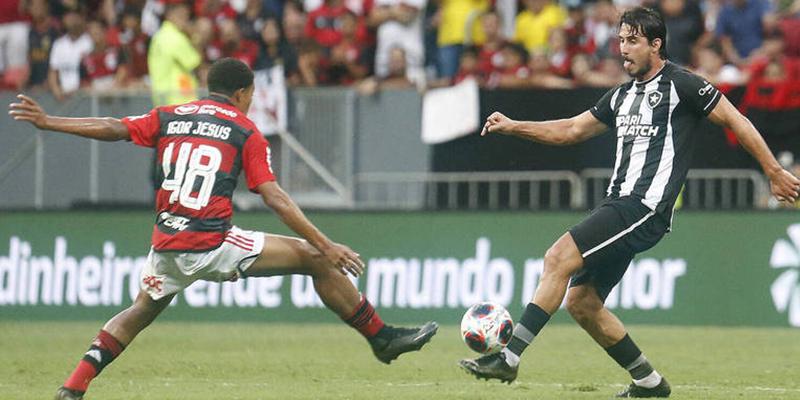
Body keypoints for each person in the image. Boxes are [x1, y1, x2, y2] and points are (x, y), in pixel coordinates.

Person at [9, 58, 438, 400]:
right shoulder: (244, 129)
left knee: (141, 309)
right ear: (243, 93)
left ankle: (74, 385)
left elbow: (113, 128)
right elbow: (274, 197)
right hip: (210, 241)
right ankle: (381, 338)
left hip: (166, 242)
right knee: (316, 259)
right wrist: (327, 243)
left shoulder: (171, 115)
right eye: (251, 95)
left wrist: (51, 123)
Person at [459, 7, 800, 398]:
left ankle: (509, 358)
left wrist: (772, 171)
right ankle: (649, 382)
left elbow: (737, 119)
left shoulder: (684, 86)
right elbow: (571, 129)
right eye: (621, 40)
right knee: (583, 303)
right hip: (621, 205)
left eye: (633, 41)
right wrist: (515, 126)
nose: (623, 49)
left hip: (644, 206)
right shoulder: (620, 96)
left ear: (656, 44)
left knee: (557, 258)